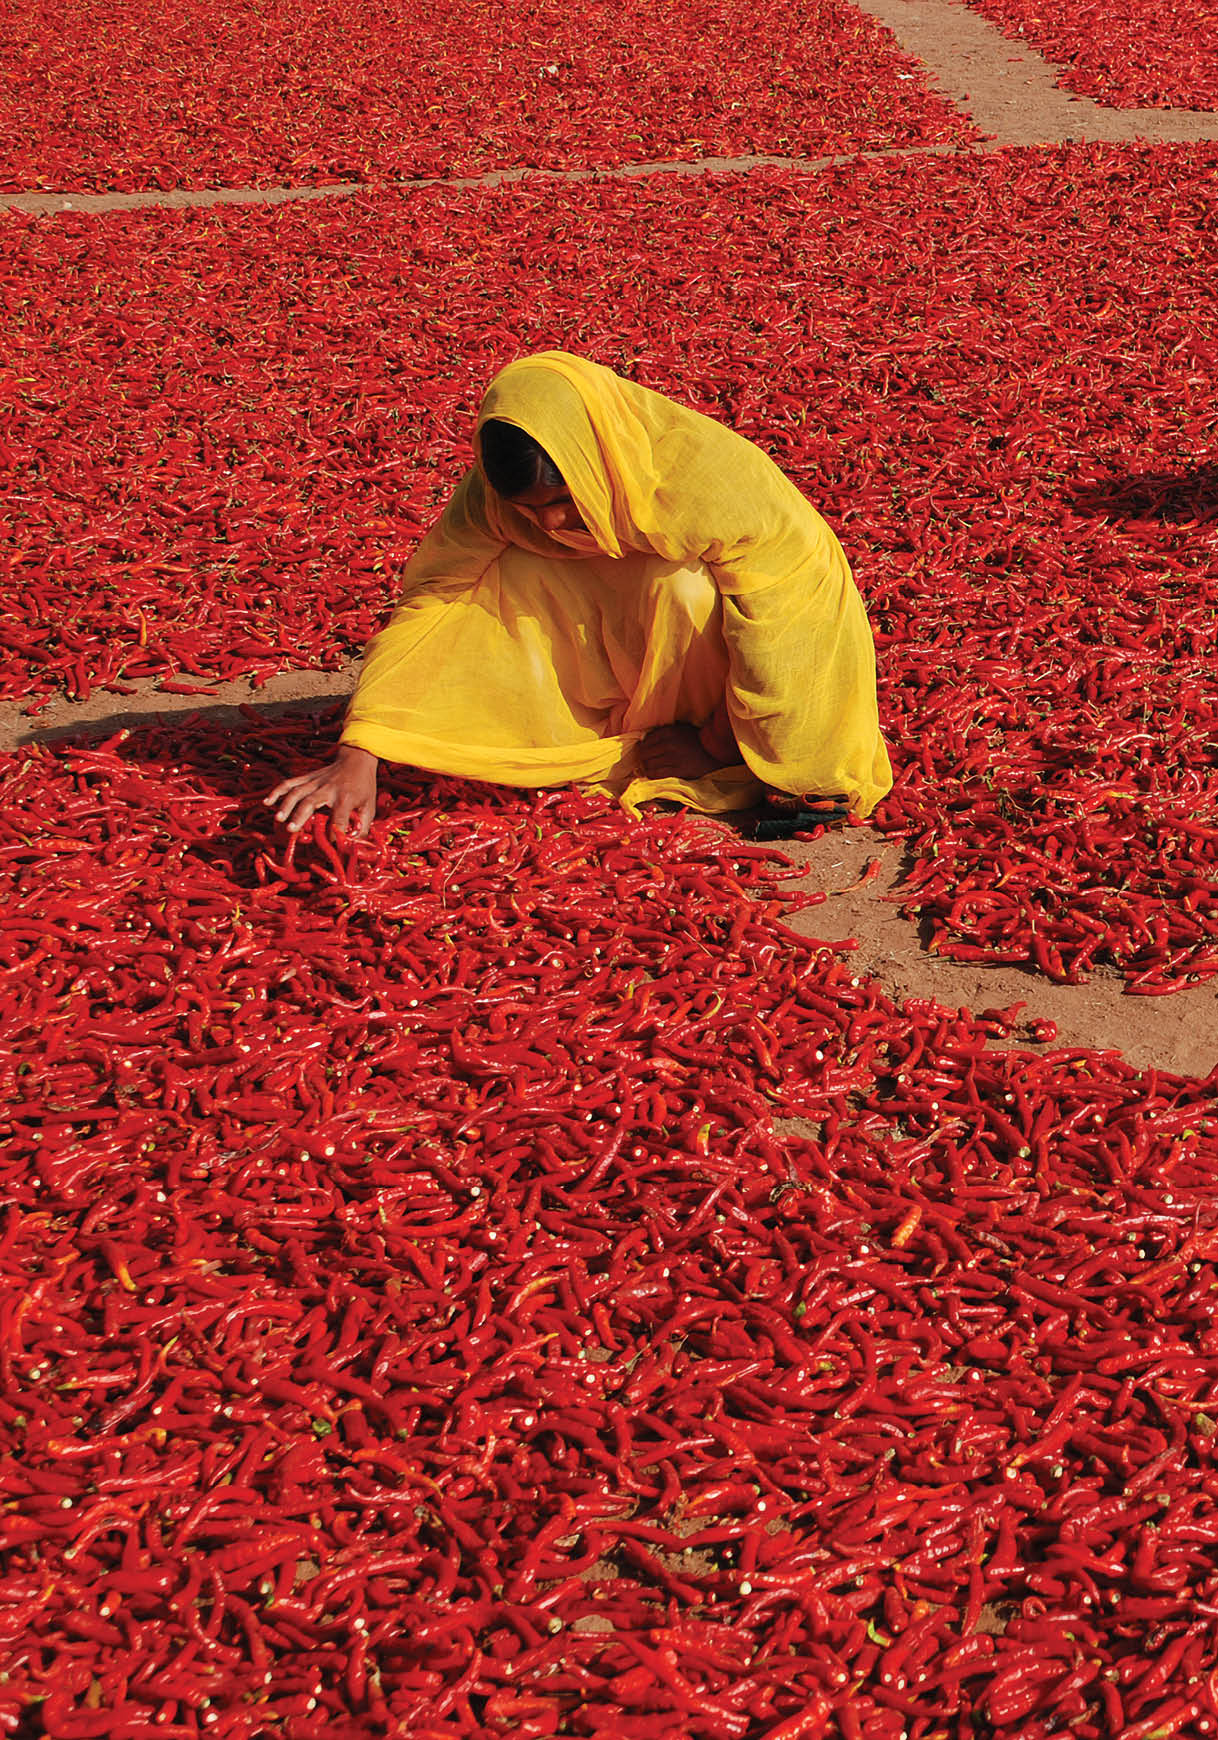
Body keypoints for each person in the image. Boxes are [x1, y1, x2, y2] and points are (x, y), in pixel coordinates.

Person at [266, 350, 892, 839]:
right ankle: (610, 725)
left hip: (729, 682)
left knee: (680, 582)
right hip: (631, 658)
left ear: (598, 465)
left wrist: (716, 744)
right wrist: (363, 749)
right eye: (528, 508)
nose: (552, 524)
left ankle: (696, 733)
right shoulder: (491, 502)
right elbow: (433, 599)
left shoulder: (716, 490)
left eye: (565, 501)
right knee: (499, 574)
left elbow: (789, 630)